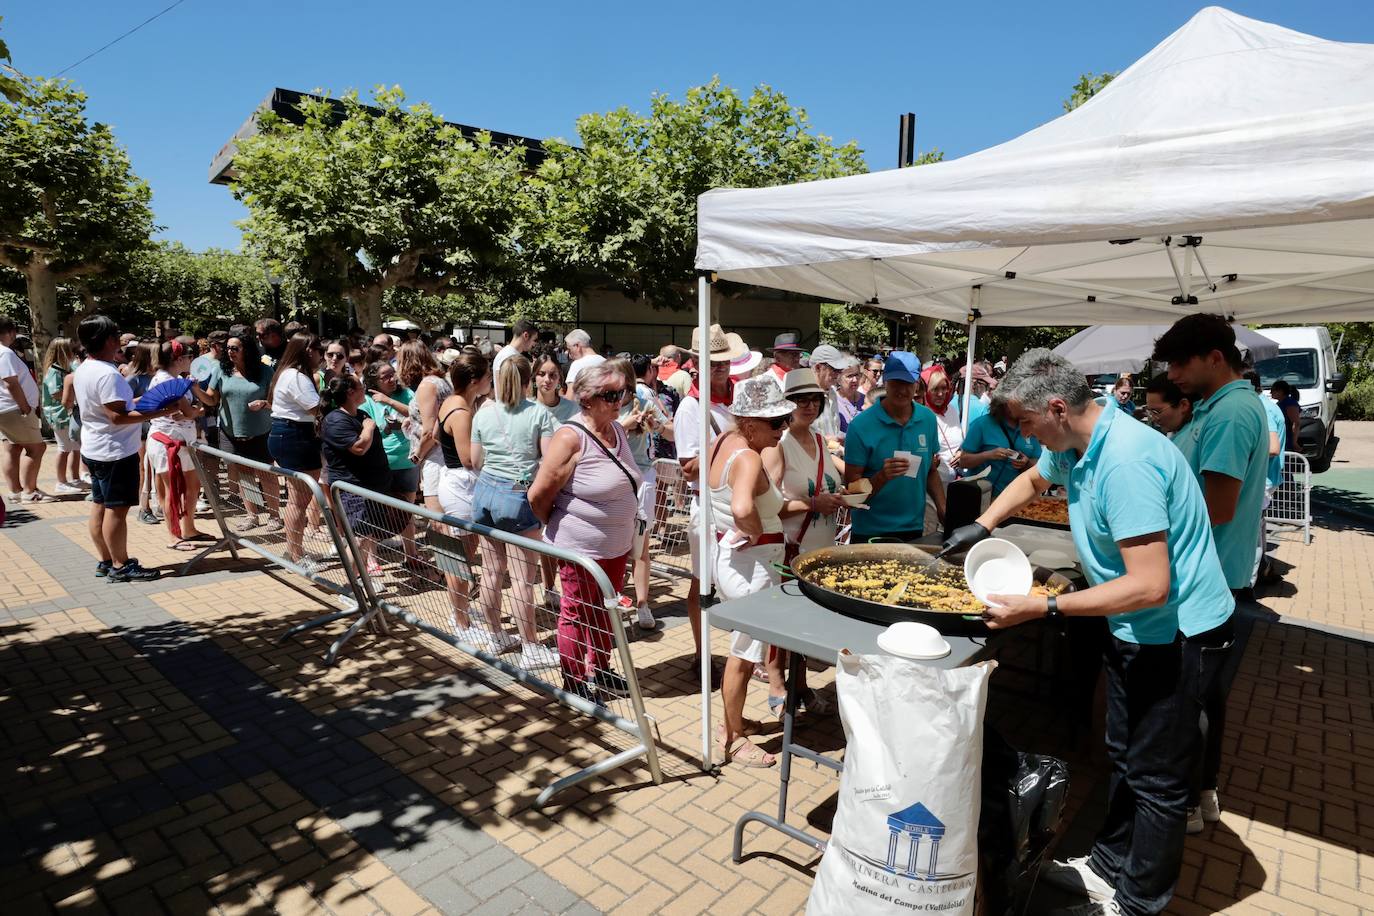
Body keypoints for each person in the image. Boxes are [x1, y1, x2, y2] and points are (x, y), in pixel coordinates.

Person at [942, 348, 1234, 916]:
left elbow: (1150, 585)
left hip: (1179, 635)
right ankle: (1107, 866)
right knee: (1126, 755)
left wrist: (1045, 606)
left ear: (1055, 408)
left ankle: (1138, 902)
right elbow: (1031, 478)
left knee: (1159, 781)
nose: (1025, 437)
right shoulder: (1080, 441)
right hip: (1135, 629)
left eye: (1027, 424)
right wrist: (981, 525)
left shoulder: (1126, 462)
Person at [529, 362, 642, 702]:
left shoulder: (617, 430)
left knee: (607, 608)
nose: (618, 400)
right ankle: (574, 680)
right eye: (610, 395)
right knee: (576, 613)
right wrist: (564, 527)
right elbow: (538, 496)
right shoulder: (570, 437)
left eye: (620, 393)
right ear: (587, 399)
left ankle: (601, 668)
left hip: (616, 545)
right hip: (580, 548)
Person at [709, 377, 795, 767]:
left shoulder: (725, 444)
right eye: (776, 421)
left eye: (785, 418)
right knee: (743, 656)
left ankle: (734, 720)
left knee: (742, 652)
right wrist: (756, 533)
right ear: (749, 423)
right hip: (752, 565)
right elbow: (744, 509)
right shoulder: (748, 457)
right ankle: (733, 737)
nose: (784, 427)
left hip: (737, 561)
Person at [74, 315, 187, 582]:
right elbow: (117, 417)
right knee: (117, 510)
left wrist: (144, 401)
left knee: (100, 505)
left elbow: (116, 406)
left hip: (95, 447)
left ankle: (105, 560)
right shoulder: (107, 373)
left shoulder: (85, 368)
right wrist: (160, 411)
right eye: (116, 336)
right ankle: (121, 565)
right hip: (114, 450)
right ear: (109, 340)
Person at [760, 368, 842, 719]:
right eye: (800, 400)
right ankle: (777, 683)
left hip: (821, 548)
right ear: (786, 404)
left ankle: (802, 682)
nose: (809, 406)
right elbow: (768, 505)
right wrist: (812, 503)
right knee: (782, 621)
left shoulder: (822, 442)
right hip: (792, 547)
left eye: (814, 399)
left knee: (807, 621)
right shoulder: (777, 446)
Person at [470, 353, 560, 670]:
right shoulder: (539, 414)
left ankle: (495, 635)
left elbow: (474, 460)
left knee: (491, 572)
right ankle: (531, 647)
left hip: (484, 492)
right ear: (528, 381)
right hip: (518, 495)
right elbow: (550, 462)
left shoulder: (483, 412)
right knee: (523, 580)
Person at [674, 324, 747, 676]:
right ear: (697, 363)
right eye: (712, 363)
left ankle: (745, 656)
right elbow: (688, 468)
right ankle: (702, 654)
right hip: (709, 505)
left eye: (724, 362)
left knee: (742, 582)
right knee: (703, 583)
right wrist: (730, 442)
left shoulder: (739, 396)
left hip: (740, 503)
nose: (720, 368)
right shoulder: (690, 407)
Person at [844, 352, 945, 543]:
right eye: (896, 382)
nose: (901, 390)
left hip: (913, 529)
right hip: (871, 532)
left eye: (907, 383)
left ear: (916, 384)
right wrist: (882, 476)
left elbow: (931, 471)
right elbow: (852, 489)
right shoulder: (861, 426)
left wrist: (942, 507)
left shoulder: (928, 419)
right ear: (885, 382)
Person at [437, 351, 502, 643]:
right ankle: (461, 621)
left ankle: (460, 613)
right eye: (488, 375)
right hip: (461, 487)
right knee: (459, 559)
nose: (491, 380)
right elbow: (468, 459)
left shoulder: (455, 402)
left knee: (459, 556)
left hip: (457, 484)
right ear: (475, 380)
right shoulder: (461, 411)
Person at [319, 374, 396, 581]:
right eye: (361, 386)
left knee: (365, 537)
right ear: (351, 392)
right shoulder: (335, 420)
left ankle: (362, 582)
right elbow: (359, 447)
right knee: (359, 539)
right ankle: (352, 587)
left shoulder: (360, 414)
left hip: (372, 487)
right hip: (354, 491)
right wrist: (369, 428)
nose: (365, 389)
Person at [204, 329, 281, 532]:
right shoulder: (221, 370)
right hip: (231, 432)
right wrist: (195, 390)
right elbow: (212, 399)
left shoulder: (265, 371)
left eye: (235, 348)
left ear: (246, 350)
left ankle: (274, 516)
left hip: (261, 432)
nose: (230, 352)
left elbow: (276, 401)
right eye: (228, 348)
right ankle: (252, 515)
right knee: (244, 474)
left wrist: (265, 403)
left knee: (266, 474)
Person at [617, 354, 673, 631]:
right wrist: (621, 427)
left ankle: (642, 604)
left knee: (640, 546)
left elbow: (673, 432)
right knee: (613, 546)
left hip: (641, 479)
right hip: (611, 482)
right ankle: (613, 599)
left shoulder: (644, 400)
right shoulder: (603, 404)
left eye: (621, 383)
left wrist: (658, 425)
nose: (617, 390)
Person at [267, 333, 325, 570]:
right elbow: (316, 409)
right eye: (320, 349)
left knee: (297, 498)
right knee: (298, 500)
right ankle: (296, 555)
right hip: (296, 436)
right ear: (308, 350)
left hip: (290, 434)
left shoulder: (288, 373)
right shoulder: (296, 376)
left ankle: (294, 549)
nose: (322, 354)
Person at [360, 360, 422, 573]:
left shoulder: (406, 394)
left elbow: (418, 414)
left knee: (407, 511)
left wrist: (388, 401)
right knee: (375, 513)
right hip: (381, 463)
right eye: (385, 376)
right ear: (373, 380)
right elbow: (365, 429)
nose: (392, 378)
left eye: (393, 374)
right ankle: (371, 558)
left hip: (408, 461)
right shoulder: (367, 400)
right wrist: (386, 429)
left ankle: (411, 554)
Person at [146, 340, 210, 549]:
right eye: (189, 357)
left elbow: (182, 413)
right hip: (168, 443)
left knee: (192, 486)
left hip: (181, 442)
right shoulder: (168, 382)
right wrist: (199, 410)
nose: (191, 361)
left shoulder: (175, 379)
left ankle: (188, 528)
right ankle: (174, 535)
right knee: (170, 491)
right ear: (179, 359)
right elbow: (187, 413)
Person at [400, 340, 452, 524]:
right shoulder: (438, 381)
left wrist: (417, 456)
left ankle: (446, 553)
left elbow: (430, 432)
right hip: (441, 455)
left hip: (435, 457)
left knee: (437, 515)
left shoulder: (427, 385)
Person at [1249, 369, 1286, 588]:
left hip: (1263, 478)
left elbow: (1272, 448)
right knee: (1259, 529)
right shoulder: (1268, 406)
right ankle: (1262, 569)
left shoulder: (1262, 408)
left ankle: (1252, 581)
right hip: (1267, 477)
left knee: (1253, 532)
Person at [958, 398, 1041, 497]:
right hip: (980, 496)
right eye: (1009, 403)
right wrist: (988, 455)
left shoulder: (1029, 426)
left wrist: (1026, 463)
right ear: (1000, 403)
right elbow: (963, 461)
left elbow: (1039, 464)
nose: (1013, 407)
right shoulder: (982, 424)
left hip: (1016, 498)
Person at [40, 337, 85, 496]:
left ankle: (74, 478)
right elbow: (56, 393)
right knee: (64, 448)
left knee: (74, 447)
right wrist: (73, 394)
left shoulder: (63, 368)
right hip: (59, 415)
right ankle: (61, 481)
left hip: (67, 414)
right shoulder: (54, 370)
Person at [808, 344, 858, 441]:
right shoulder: (804, 396)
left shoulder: (832, 392)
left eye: (840, 370)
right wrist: (827, 441)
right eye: (834, 369)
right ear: (818, 368)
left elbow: (833, 430)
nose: (838, 374)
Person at [532, 350, 580, 424]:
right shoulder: (525, 409)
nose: (547, 380)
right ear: (534, 377)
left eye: (552, 375)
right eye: (541, 374)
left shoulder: (572, 409)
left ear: (559, 379)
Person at [1269, 379, 1301, 452]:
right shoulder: (1280, 403)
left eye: (1273, 390)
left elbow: (1296, 423)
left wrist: (1294, 442)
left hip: (1288, 440)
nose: (1270, 392)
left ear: (1281, 391)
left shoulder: (1290, 403)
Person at [835, 361, 864, 433]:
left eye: (857, 375)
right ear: (838, 379)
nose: (855, 380)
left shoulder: (866, 399)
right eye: (850, 376)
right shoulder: (832, 400)